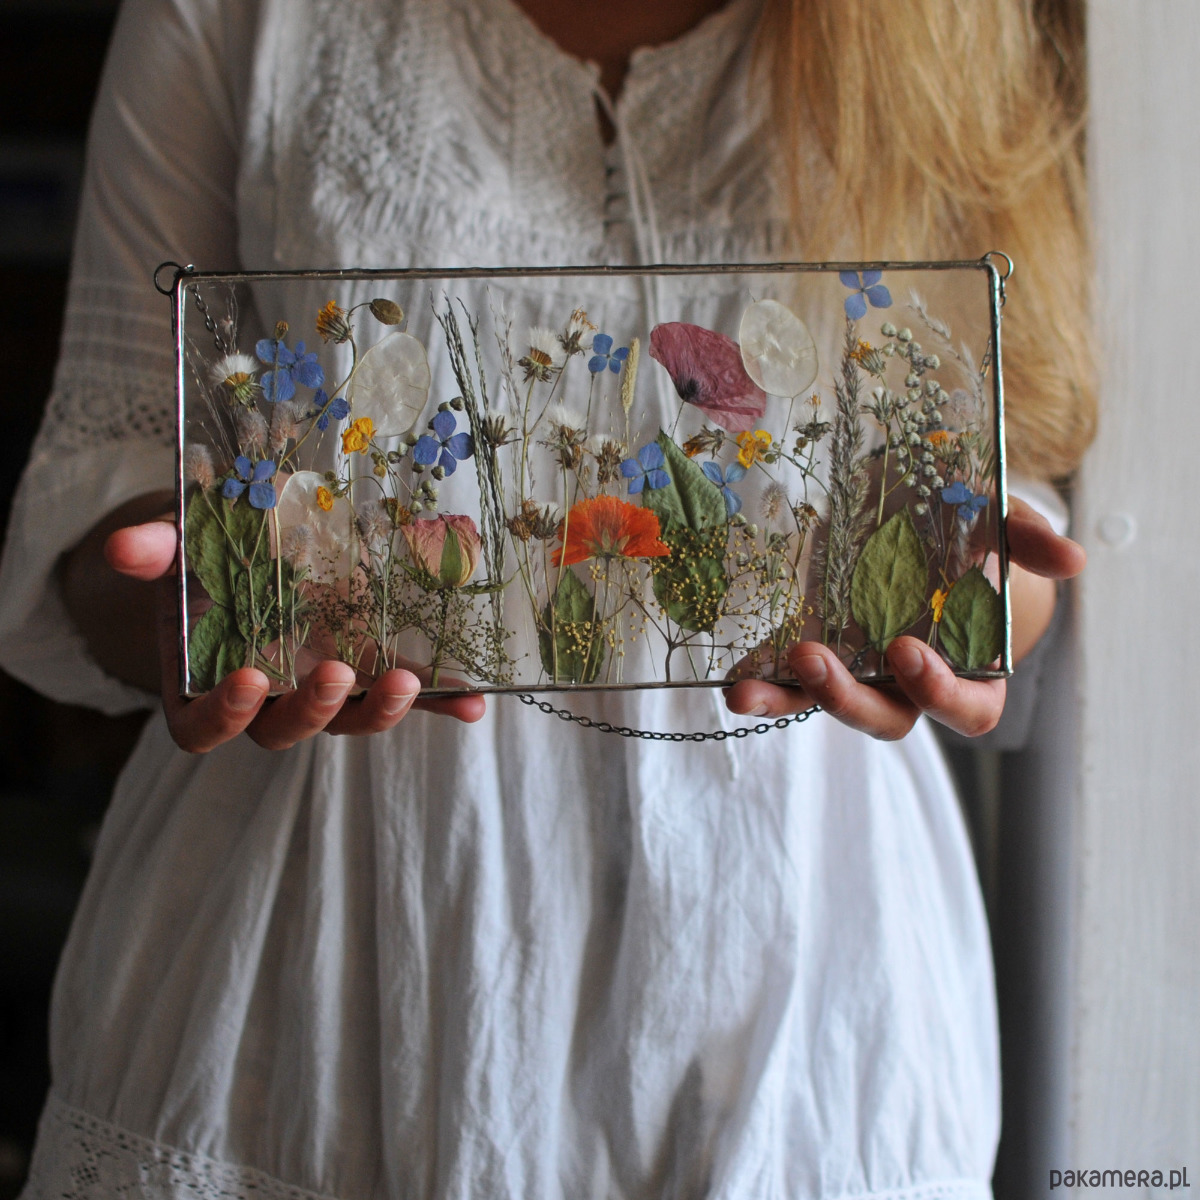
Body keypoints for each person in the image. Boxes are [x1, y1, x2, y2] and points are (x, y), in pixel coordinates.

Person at [0, 0, 1091, 1195]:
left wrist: (956, 608)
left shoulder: (941, 29)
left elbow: (1009, 509)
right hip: (321, 1002)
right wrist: (194, 611)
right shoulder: (238, 18)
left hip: (806, 1006)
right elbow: (105, 488)